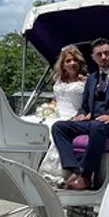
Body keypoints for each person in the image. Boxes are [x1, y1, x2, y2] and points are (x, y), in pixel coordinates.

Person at [51, 38, 109, 191]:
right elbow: (84, 106)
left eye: (107, 53)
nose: (103, 57)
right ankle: (73, 169)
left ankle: (85, 176)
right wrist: (82, 115)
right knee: (59, 127)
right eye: (99, 54)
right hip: (91, 122)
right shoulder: (91, 79)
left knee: (97, 127)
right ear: (93, 57)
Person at [37, 45, 88, 183]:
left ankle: (57, 174)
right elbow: (56, 98)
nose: (72, 63)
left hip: (74, 115)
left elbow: (88, 104)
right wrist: (49, 108)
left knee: (53, 127)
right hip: (57, 113)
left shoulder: (85, 81)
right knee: (32, 122)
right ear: (63, 64)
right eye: (68, 61)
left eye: (75, 60)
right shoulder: (58, 80)